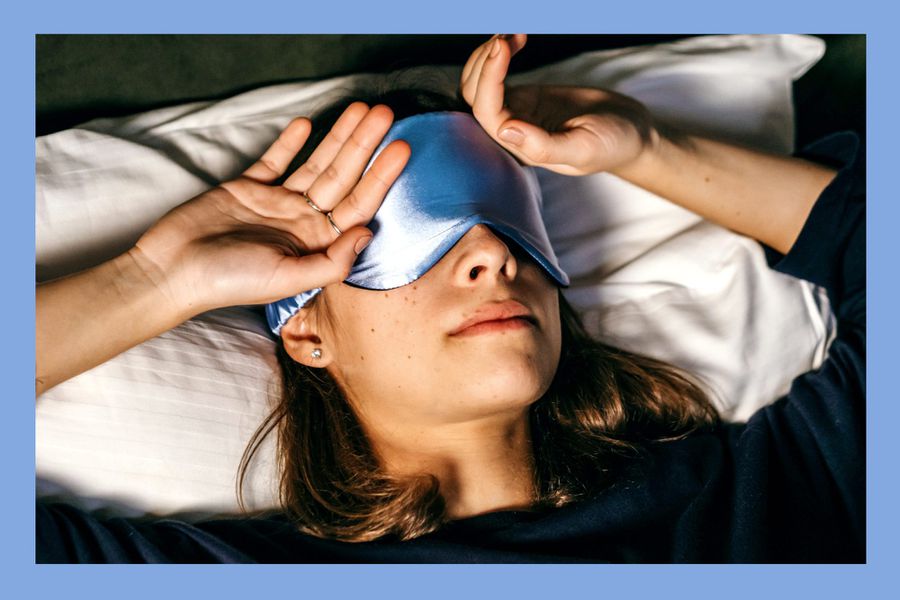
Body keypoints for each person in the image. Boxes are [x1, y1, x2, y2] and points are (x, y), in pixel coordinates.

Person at [36, 34, 864, 563]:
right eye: (411, 232)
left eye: (512, 227)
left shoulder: (762, 493)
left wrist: (647, 146)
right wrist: (154, 281)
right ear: (307, 331)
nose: (492, 259)